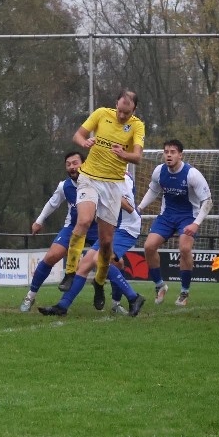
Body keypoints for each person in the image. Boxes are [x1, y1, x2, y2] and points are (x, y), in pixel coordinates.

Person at [63, 89, 144, 312]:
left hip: (113, 184)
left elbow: (137, 157)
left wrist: (123, 154)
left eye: (126, 113)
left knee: (106, 244)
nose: (121, 116)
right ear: (115, 105)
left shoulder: (137, 126)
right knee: (84, 220)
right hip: (89, 178)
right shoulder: (101, 113)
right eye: (119, 110)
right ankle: (70, 272)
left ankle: (99, 282)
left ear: (133, 110)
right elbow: (77, 135)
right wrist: (84, 142)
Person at [39, 172, 147, 316]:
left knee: (99, 259)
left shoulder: (123, 177)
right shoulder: (97, 175)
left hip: (126, 227)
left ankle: (134, 297)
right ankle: (62, 306)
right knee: (84, 265)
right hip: (110, 226)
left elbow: (128, 206)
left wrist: (103, 192)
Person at [137, 139, 212, 307]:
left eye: (172, 152)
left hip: (188, 217)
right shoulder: (159, 171)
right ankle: (160, 285)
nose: (169, 155)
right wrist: (140, 207)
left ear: (180, 155)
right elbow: (153, 190)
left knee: (184, 249)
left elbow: (207, 201)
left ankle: (184, 292)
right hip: (166, 216)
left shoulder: (192, 174)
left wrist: (196, 224)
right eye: (166, 152)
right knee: (149, 247)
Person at [20, 151, 98, 312]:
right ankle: (30, 295)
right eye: (68, 164)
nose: (72, 167)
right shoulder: (65, 186)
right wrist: (39, 221)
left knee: (114, 263)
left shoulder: (96, 181)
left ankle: (116, 301)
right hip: (73, 227)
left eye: (75, 163)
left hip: (97, 228)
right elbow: (52, 203)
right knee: (51, 256)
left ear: (84, 164)